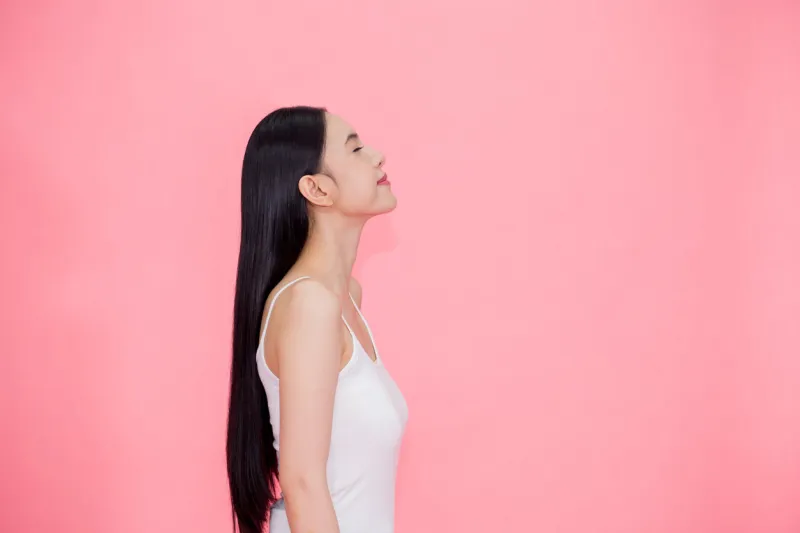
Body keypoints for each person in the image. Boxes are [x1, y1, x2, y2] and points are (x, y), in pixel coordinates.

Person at [226, 106, 409, 533]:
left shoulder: (343, 299)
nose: (378, 155)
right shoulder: (310, 303)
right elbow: (303, 482)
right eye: (356, 148)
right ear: (317, 189)